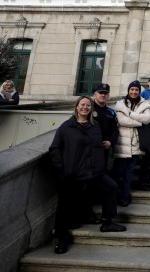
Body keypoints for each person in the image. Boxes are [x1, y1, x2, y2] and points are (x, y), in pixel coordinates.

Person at [49, 96, 126, 254]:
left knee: (111, 187)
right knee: (64, 207)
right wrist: (62, 168)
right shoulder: (66, 127)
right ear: (77, 107)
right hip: (73, 173)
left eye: (88, 105)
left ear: (91, 108)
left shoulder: (94, 126)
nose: (85, 107)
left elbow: (101, 140)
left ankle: (107, 222)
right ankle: (62, 239)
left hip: (93, 171)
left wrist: (105, 146)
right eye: (82, 105)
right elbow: (55, 148)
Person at [112, 81, 150, 207]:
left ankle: (125, 197)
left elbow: (147, 119)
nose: (134, 92)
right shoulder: (120, 103)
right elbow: (121, 120)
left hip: (135, 143)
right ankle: (112, 198)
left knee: (129, 173)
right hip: (122, 143)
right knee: (117, 173)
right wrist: (138, 121)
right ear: (129, 90)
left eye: (136, 90)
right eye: (132, 89)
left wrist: (130, 114)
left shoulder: (144, 103)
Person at [92, 83, 118, 166]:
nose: (103, 95)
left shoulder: (111, 112)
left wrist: (110, 142)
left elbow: (115, 130)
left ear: (108, 96)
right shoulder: (88, 109)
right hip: (90, 148)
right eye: (100, 93)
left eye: (105, 93)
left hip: (105, 148)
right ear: (95, 95)